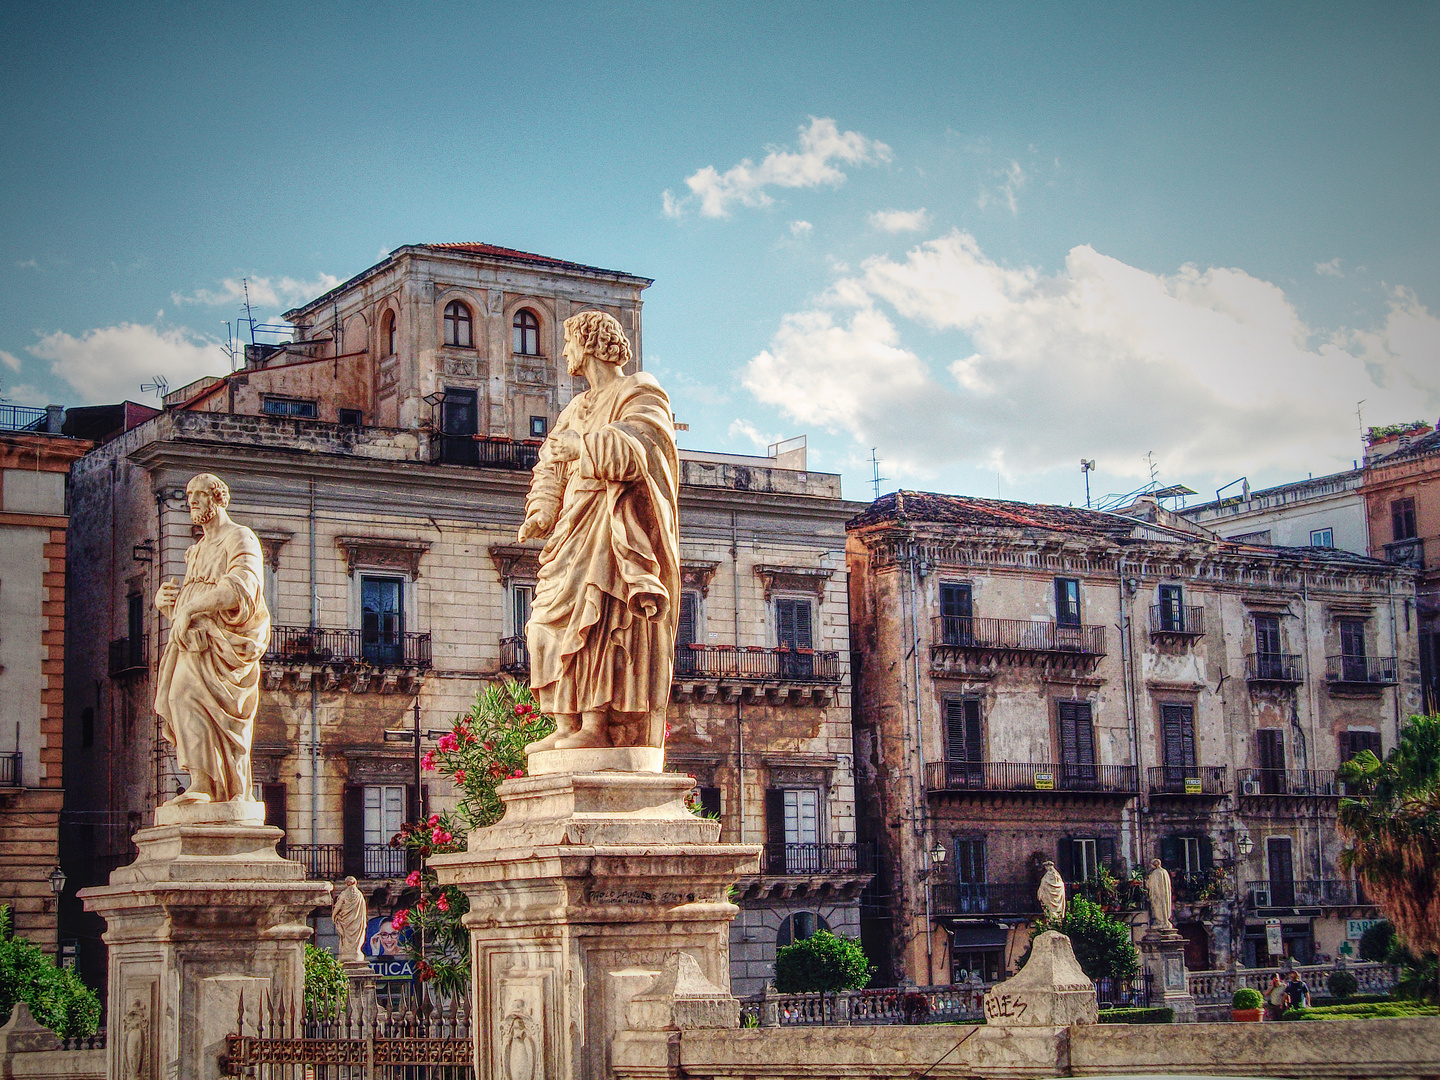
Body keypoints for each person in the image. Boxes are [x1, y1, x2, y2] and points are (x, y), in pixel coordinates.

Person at [518, 310, 681, 753]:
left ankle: (596, 723)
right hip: (573, 524)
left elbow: (643, 450)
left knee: (601, 621)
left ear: (588, 343)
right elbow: (550, 463)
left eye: (568, 342)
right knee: (545, 624)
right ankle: (566, 721)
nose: (565, 351)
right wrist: (542, 508)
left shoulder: (639, 391)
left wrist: (583, 446)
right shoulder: (576, 407)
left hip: (613, 525)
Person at [153, 473, 270, 806]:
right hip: (196, 643)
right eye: (189, 494)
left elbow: (242, 587)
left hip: (225, 650)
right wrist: (169, 604)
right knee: (180, 699)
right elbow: (193, 599)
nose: (191, 501)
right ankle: (202, 782)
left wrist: (190, 608)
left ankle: (218, 786)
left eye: (199, 494)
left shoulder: (240, 538)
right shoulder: (197, 549)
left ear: (218, 498)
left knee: (192, 701)